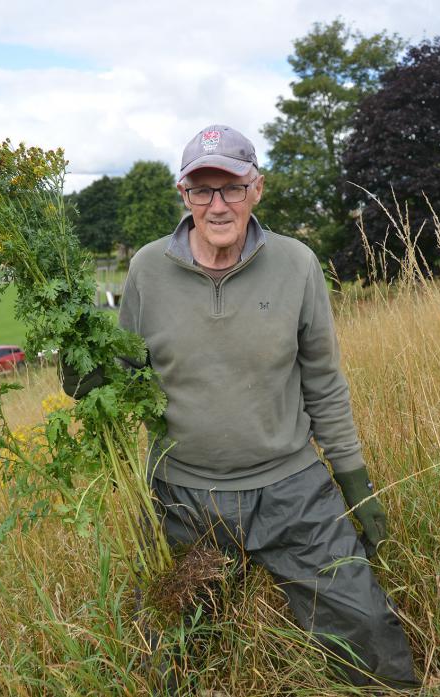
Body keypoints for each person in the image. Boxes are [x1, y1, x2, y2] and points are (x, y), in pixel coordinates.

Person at [63, 125, 419, 689]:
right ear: (184, 196)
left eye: (230, 187)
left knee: (366, 626)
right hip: (182, 499)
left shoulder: (297, 264)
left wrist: (354, 480)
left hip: (293, 492)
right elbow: (128, 371)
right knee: (169, 650)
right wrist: (86, 371)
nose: (217, 204)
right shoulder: (147, 270)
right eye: (202, 190)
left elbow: (323, 381)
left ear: (256, 188)